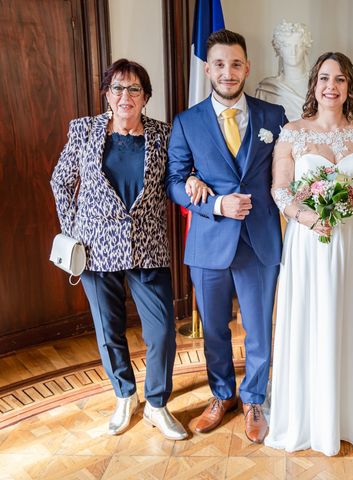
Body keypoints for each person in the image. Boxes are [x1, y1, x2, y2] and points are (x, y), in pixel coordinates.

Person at [265, 51, 353, 456]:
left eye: (339, 79)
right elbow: (280, 190)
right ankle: (310, 417)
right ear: (314, 85)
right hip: (310, 243)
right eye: (324, 78)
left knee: (352, 318)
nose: (331, 86)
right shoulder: (293, 132)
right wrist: (305, 218)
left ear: (349, 87)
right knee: (313, 317)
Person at [50, 59, 187, 441]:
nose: (125, 96)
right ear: (106, 94)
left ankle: (157, 404)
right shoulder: (84, 131)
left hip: (148, 248)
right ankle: (124, 395)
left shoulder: (164, 134)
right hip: (95, 250)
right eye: (117, 88)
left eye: (134, 89)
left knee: (161, 332)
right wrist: (73, 232)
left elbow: (176, 179)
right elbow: (60, 182)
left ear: (146, 97)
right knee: (110, 330)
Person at [165, 29, 287, 444]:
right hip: (209, 240)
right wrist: (214, 203)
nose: (228, 72)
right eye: (219, 64)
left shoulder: (275, 117)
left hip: (260, 240)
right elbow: (176, 181)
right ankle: (222, 395)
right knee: (214, 328)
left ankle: (254, 398)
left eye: (236, 64)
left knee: (258, 326)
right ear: (208, 69)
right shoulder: (186, 121)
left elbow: (288, 172)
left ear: (247, 68)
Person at [254, 19, 312, 120]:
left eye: (298, 46)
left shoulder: (318, 84)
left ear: (305, 48)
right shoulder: (267, 88)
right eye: (287, 46)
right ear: (279, 49)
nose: (293, 52)